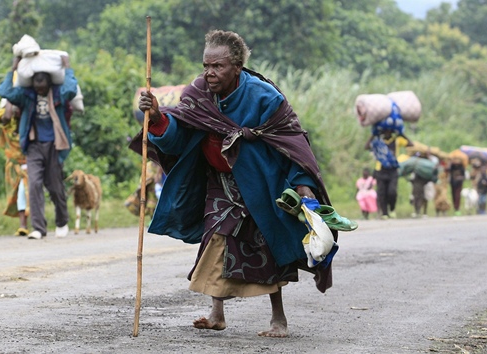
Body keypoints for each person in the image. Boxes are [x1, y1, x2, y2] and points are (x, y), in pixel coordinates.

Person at [131, 30, 340, 337]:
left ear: (237, 67)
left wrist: (302, 183)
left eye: (218, 67)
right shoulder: (198, 93)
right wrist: (159, 117)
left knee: (266, 245)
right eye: (206, 65)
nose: (209, 73)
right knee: (216, 236)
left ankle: (278, 318)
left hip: (261, 180)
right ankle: (217, 314)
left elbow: (292, 141)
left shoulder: (264, 97)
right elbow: (178, 135)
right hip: (220, 181)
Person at [0, 55, 77, 239]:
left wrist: (68, 67)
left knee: (55, 187)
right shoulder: (27, 96)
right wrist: (13, 68)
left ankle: (62, 221)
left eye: (42, 87)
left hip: (54, 145)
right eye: (36, 87)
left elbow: (71, 89)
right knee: (33, 184)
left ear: (49, 84)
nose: (39, 90)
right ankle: (39, 228)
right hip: (33, 145)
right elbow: (5, 91)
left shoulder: (58, 93)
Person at [0, 98, 30, 236]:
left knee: (24, 191)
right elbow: (5, 117)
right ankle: (23, 224)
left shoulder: (29, 122)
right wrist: (11, 98)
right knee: (18, 192)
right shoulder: (5, 123)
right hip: (14, 164)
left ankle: (26, 224)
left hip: (30, 162)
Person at [365, 128, 413, 220]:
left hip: (393, 170)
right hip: (380, 170)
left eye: (389, 131)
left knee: (392, 191)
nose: (387, 132)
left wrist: (402, 134)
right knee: (381, 192)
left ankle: (392, 209)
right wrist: (373, 135)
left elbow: (410, 144)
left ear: (392, 132)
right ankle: (384, 213)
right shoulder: (377, 142)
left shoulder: (397, 141)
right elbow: (366, 147)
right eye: (385, 131)